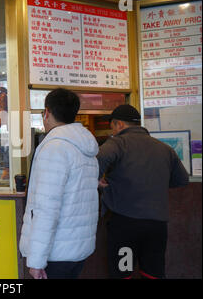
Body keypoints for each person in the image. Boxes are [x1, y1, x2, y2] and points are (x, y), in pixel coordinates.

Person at [97, 104, 189, 279]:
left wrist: (96, 180)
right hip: (157, 226)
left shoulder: (118, 143)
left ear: (119, 125)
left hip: (125, 225)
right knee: (152, 273)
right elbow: (181, 180)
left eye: (112, 127)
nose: (113, 132)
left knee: (123, 273)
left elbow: (94, 161)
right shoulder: (164, 148)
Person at [19, 88, 99, 279]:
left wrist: (36, 261)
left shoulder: (55, 147)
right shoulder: (86, 147)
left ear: (46, 112)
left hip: (56, 254)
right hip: (77, 250)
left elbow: (46, 209)